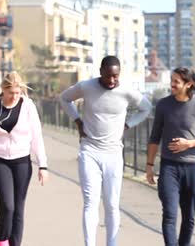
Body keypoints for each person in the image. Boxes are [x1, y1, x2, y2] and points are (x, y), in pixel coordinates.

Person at [60, 55, 152, 246]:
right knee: (90, 203)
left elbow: (146, 108)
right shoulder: (86, 87)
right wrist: (77, 121)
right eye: (108, 75)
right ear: (100, 72)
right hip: (89, 151)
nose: (112, 80)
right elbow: (64, 98)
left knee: (111, 205)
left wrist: (128, 124)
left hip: (113, 155)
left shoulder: (126, 91)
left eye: (116, 76)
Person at [146, 67, 195, 246]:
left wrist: (190, 143)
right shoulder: (163, 105)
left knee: (189, 218)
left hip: (192, 169)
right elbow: (155, 136)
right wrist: (149, 165)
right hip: (168, 168)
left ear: (189, 84)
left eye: (176, 81)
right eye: (171, 80)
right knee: (170, 215)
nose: (172, 84)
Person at [0, 72, 49, 246]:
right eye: (11, 93)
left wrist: (43, 166)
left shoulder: (28, 106)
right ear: (3, 90)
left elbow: (37, 137)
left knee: (18, 209)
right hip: (1, 162)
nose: (15, 96)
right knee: (7, 206)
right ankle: (2, 241)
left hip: (22, 162)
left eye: (18, 92)